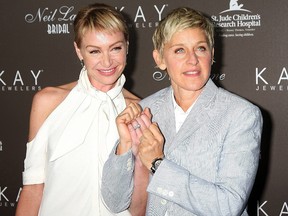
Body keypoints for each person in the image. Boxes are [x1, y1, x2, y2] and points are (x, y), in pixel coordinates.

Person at [101, 7, 263, 216]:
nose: (192, 59)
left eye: (201, 48)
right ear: (159, 59)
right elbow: (114, 203)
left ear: (212, 55)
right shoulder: (145, 110)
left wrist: (157, 164)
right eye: (179, 50)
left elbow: (228, 207)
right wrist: (124, 146)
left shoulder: (241, 115)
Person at [15, 3, 145, 216]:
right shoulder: (48, 102)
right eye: (95, 51)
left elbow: (140, 204)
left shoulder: (141, 110)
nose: (107, 61)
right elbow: (33, 188)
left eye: (115, 48)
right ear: (79, 51)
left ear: (127, 46)